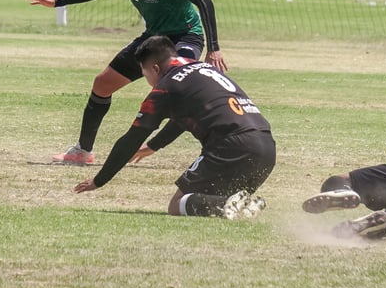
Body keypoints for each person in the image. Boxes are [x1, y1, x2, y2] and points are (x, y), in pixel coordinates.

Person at [25, 0, 227, 166]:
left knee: (179, 89)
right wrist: (57, 1)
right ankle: (82, 151)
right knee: (102, 84)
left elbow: (204, 2)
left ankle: (217, 147)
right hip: (154, 37)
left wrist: (214, 48)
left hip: (185, 35)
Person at [73, 36, 275, 218]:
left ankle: (226, 204)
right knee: (213, 198)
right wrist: (153, 146)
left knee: (177, 204)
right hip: (266, 147)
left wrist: (99, 180)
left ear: (155, 69)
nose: (148, 81)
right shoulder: (201, 67)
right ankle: (238, 204)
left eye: (145, 74)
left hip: (231, 146)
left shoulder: (165, 88)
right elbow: (182, 119)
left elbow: (132, 138)